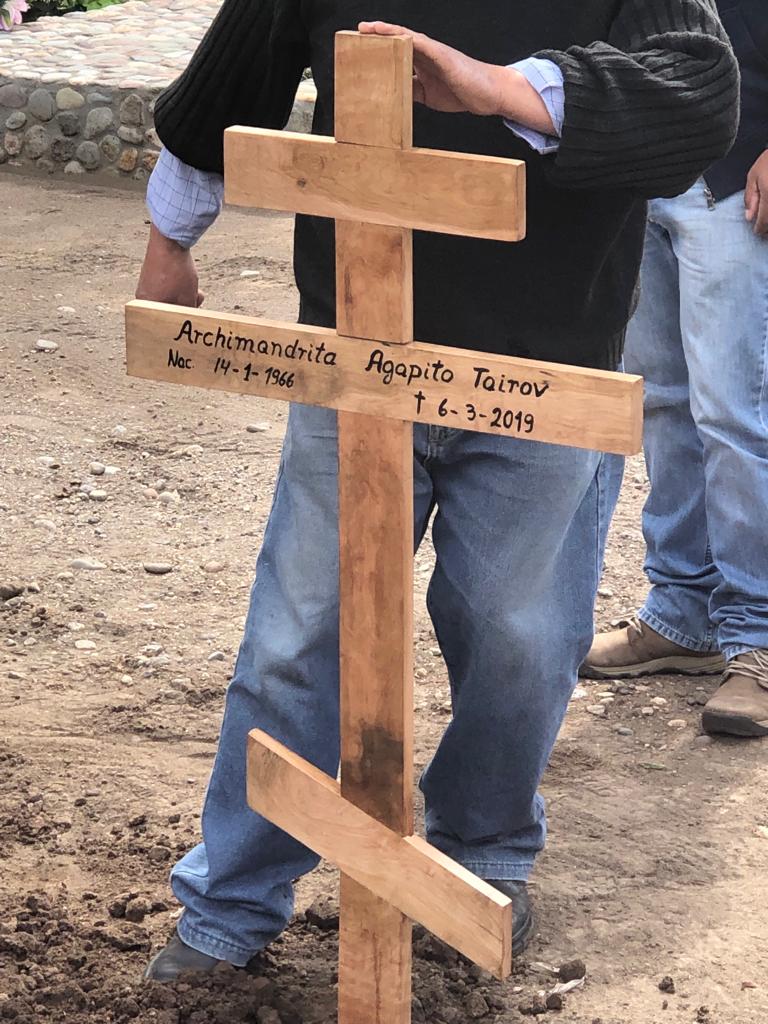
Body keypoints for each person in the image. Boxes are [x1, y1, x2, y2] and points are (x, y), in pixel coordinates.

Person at [135, 0, 738, 980]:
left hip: (545, 361)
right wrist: (171, 240)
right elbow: (228, 84)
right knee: (299, 631)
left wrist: (498, 88)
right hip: (356, 347)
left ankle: (479, 855)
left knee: (517, 638)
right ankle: (232, 899)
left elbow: (699, 96)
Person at [582, 1, 768, 740]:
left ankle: (757, 636)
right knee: (662, 402)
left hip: (742, 176)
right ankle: (684, 613)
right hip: (643, 173)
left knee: (735, 413)